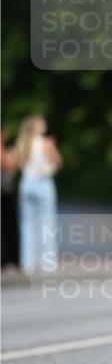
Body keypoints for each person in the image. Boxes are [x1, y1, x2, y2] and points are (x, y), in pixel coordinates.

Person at [15, 115, 63, 273]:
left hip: (26, 183)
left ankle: (28, 263)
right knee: (46, 224)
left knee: (27, 224)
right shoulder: (46, 143)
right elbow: (58, 162)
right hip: (43, 183)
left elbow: (16, 164)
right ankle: (47, 262)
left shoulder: (22, 144)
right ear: (37, 127)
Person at [1, 127, 20, 267]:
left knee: (9, 225)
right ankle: (6, 258)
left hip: (7, 192)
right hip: (3, 193)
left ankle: (10, 258)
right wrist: (14, 155)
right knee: (6, 226)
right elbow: (10, 166)